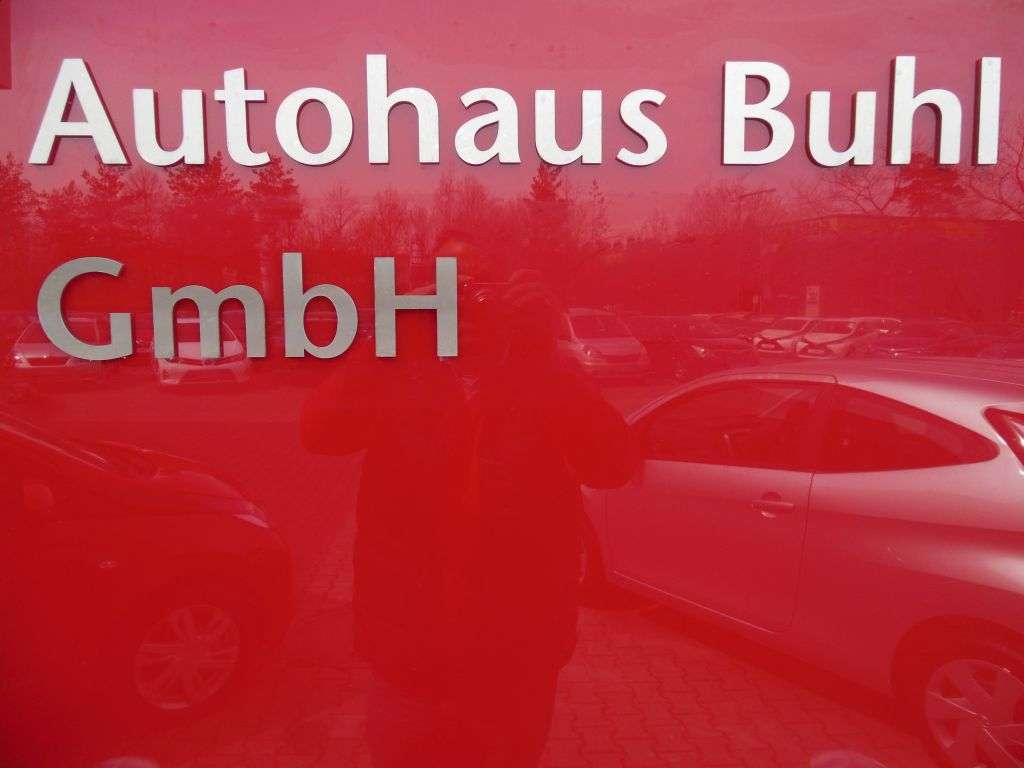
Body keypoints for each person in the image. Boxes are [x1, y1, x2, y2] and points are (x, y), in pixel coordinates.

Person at [300, 239, 631, 767]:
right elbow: (319, 433)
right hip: (409, 651)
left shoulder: (544, 375)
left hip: (515, 657)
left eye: (481, 289)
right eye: (448, 288)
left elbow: (613, 466)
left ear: (513, 295)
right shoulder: (399, 372)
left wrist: (545, 353)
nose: (466, 305)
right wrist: (389, 339)